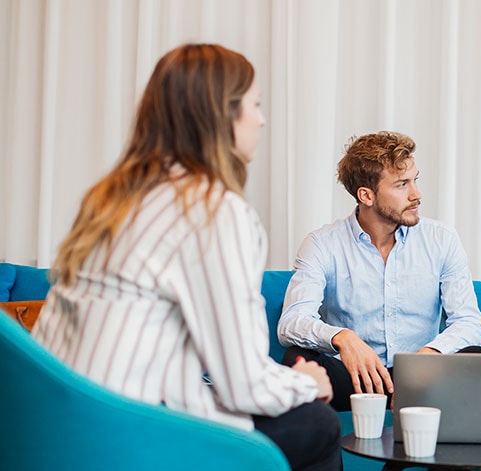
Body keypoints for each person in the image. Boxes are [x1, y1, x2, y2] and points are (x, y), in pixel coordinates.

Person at [31, 44, 341, 470]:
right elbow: (244, 385)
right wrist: (305, 382)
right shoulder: (213, 210)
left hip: (50, 428)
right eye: (255, 104)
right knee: (317, 422)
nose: (262, 119)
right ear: (220, 115)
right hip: (121, 438)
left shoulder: (111, 199)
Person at [278, 131, 481, 411]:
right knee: (298, 359)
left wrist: (430, 355)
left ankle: (409, 453)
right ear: (366, 195)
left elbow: (470, 323)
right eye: (402, 184)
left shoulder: (442, 239)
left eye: (415, 180)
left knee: (479, 358)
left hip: (425, 377)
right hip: (355, 378)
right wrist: (342, 337)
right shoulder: (322, 244)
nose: (416, 195)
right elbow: (291, 322)